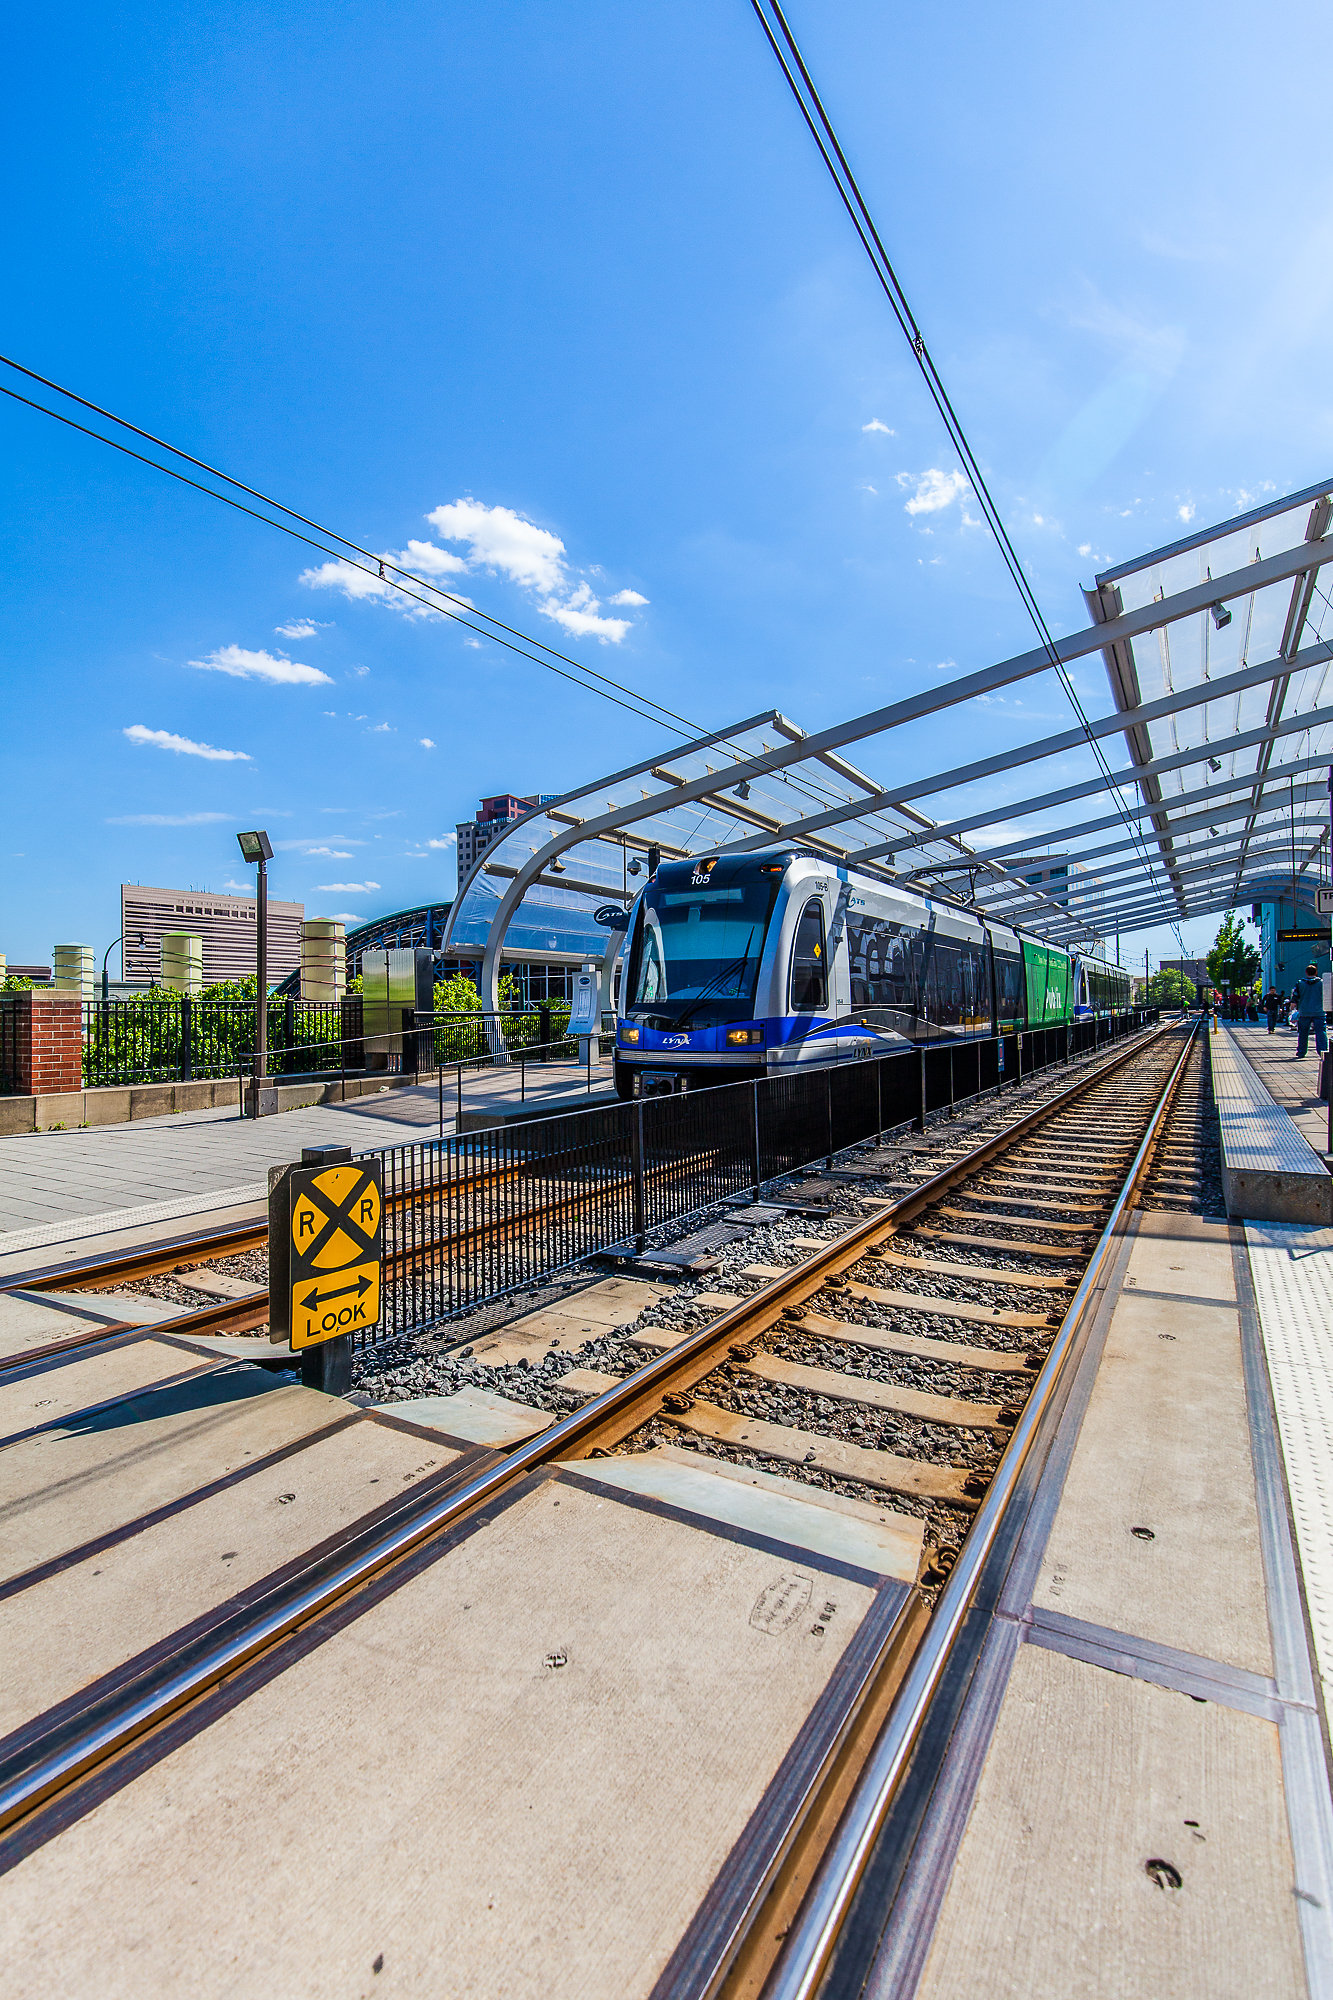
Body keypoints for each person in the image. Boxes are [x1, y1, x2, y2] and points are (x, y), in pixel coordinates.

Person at [1294, 964, 1328, 1060]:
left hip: (1304, 1011)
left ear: (1306, 972)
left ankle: (1301, 1052)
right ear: (1316, 972)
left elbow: (1295, 996)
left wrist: (1293, 1007)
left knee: (1303, 1033)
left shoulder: (1300, 983)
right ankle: (1323, 1051)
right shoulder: (1322, 983)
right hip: (1319, 1011)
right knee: (1321, 1032)